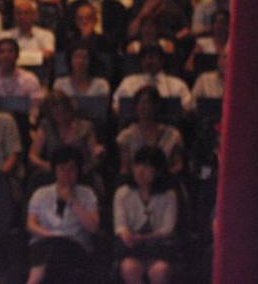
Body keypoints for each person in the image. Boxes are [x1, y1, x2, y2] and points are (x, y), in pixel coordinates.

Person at [26, 146, 100, 284]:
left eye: (71, 169)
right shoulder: (41, 193)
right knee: (49, 252)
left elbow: (93, 227)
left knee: (57, 254)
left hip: (74, 245)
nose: (66, 174)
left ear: (78, 171)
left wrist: (71, 201)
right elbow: (30, 224)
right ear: (55, 170)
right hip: (44, 242)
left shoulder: (87, 193)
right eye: (62, 169)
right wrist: (49, 235)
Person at [114, 147, 178, 284]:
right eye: (137, 165)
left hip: (160, 250)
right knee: (129, 269)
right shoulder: (122, 193)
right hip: (133, 250)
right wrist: (127, 236)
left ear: (158, 170)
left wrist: (146, 237)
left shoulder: (169, 195)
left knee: (159, 271)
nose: (140, 171)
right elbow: (120, 225)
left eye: (147, 166)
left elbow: (168, 229)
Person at [117, 86, 185, 176]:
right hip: (136, 183)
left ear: (157, 106)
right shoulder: (126, 135)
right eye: (140, 103)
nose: (143, 107)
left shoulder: (173, 134)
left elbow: (178, 165)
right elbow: (125, 168)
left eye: (148, 103)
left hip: (165, 182)